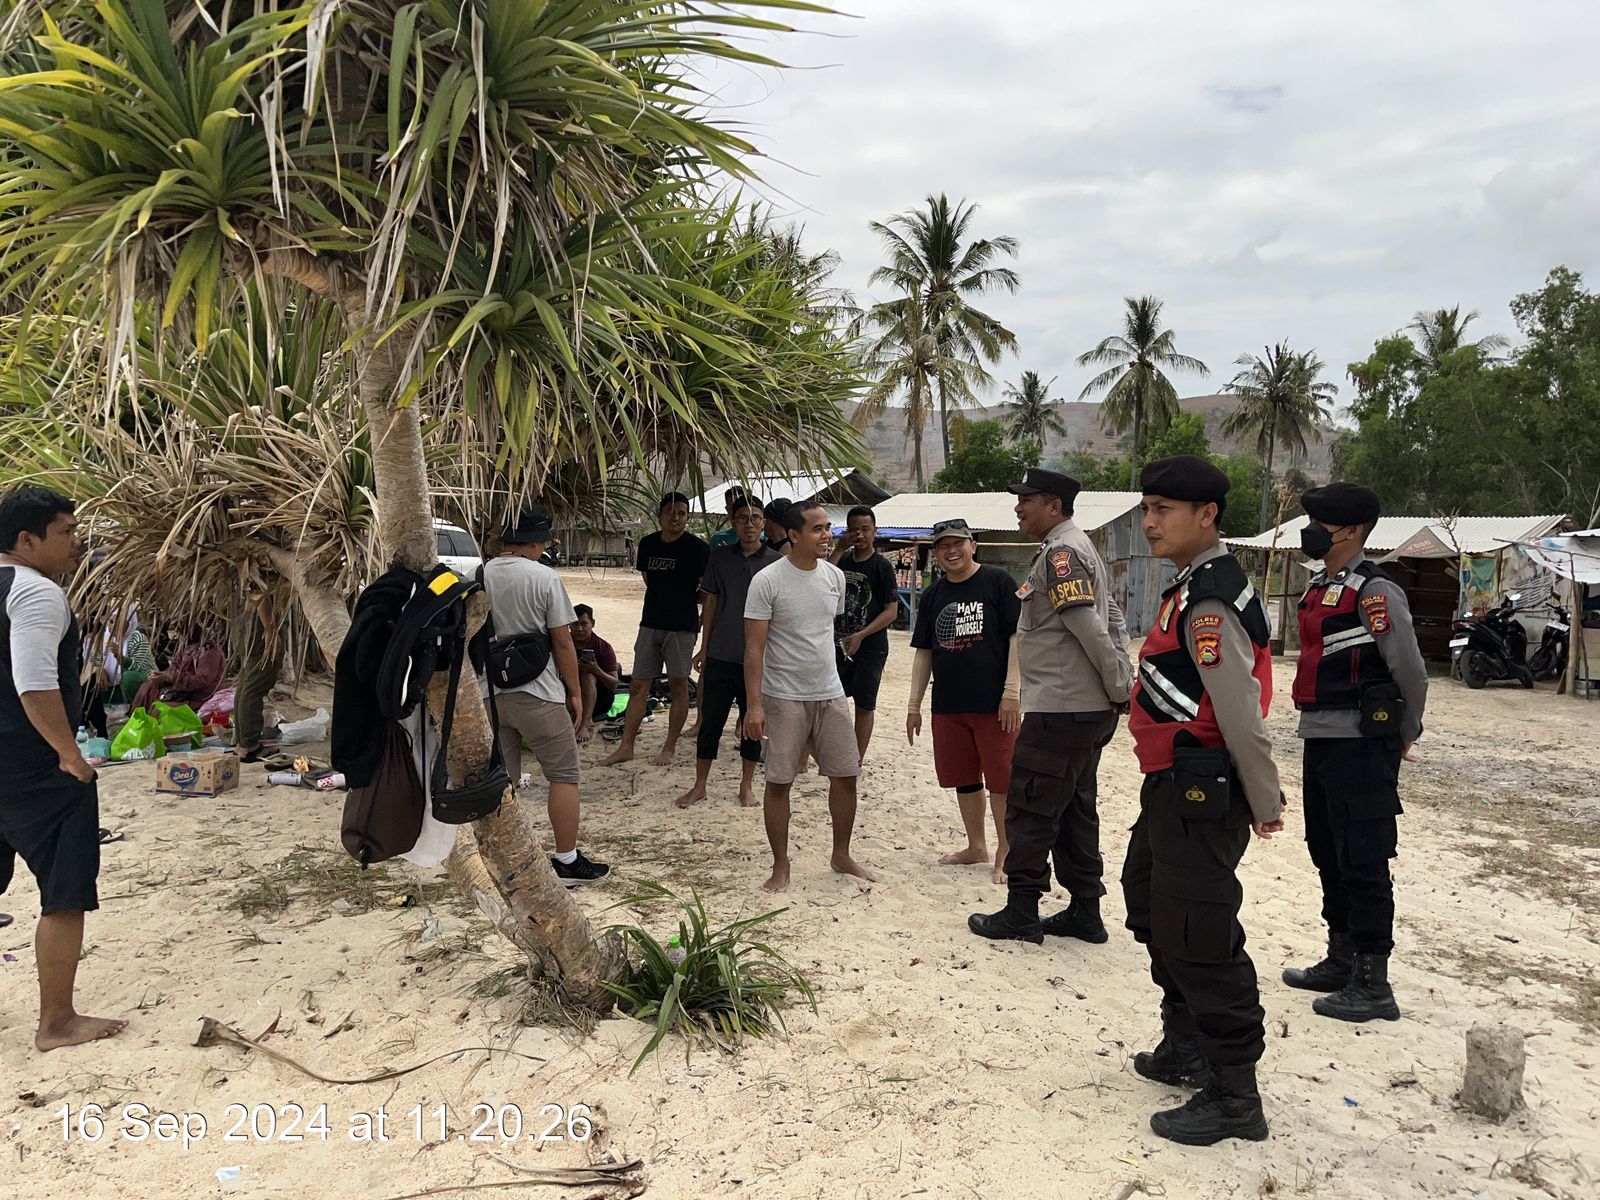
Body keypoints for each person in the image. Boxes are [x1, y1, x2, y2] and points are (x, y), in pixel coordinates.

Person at [1122, 455, 1285, 1145]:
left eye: (1162, 509)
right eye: (1147, 508)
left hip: (1203, 789)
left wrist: (1264, 797)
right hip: (1172, 784)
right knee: (1149, 900)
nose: (1149, 521)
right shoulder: (1189, 588)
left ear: (1206, 515)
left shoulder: (1210, 599)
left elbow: (1241, 709)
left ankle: (1234, 1095)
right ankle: (1184, 1043)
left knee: (1201, 934)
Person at [1283, 483, 1427, 1024]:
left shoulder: (1375, 590)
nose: (1311, 528)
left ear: (1351, 530)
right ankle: (1340, 958)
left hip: (1363, 743)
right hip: (1320, 735)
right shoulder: (1322, 585)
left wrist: (1405, 732)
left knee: (1364, 856)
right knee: (1326, 847)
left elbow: (1409, 669)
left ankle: (1373, 981)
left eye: (1320, 519)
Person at [969, 469, 1131, 945]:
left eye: (1027, 500)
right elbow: (1112, 614)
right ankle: (1085, 911)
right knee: (1075, 809)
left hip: (1062, 707)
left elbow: (1088, 624)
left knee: (1031, 807)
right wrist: (1117, 680)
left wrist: (1119, 682)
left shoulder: (1062, 553)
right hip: (1082, 707)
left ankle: (1021, 910)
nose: (1018, 508)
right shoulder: (1075, 547)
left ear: (1054, 505)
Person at [0, 485, 128, 1051]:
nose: (78, 542)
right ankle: (56, 1022)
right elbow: (34, 682)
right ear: (27, 540)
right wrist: (69, 755)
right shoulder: (35, 593)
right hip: (33, 768)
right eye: (66, 533)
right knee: (64, 890)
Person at [743, 500, 875, 893]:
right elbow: (754, 648)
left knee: (846, 775)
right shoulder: (767, 581)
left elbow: (821, 632)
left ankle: (841, 854)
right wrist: (754, 705)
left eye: (827, 528)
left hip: (830, 692)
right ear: (794, 535)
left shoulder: (835, 578)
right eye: (817, 529)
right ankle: (780, 865)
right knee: (780, 782)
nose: (827, 534)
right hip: (783, 697)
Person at [483, 506, 610, 886]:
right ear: (537, 541)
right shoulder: (543, 577)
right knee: (563, 775)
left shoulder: (477, 573)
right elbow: (563, 641)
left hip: (491, 690)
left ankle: (503, 862)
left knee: (502, 781)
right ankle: (566, 860)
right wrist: (574, 693)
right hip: (537, 690)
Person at [906, 519, 1021, 884]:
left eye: (958, 543)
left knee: (1001, 779)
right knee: (964, 778)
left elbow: (1018, 638)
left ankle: (1006, 848)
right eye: (942, 546)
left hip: (994, 702)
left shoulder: (998, 582)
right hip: (949, 703)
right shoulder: (935, 594)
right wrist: (913, 705)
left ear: (973, 545)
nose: (950, 551)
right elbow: (923, 652)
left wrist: (1012, 692)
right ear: (935, 553)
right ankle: (977, 846)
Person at [677, 494, 780, 810]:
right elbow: (710, 604)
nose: (749, 525)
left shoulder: (777, 562)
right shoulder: (720, 558)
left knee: (753, 725)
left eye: (755, 518)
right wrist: (703, 648)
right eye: (742, 518)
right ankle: (700, 785)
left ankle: (746, 786)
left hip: (760, 660)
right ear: (732, 523)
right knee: (710, 722)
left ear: (763, 523)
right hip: (722, 652)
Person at [602, 492, 709, 767]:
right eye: (670, 511)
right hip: (650, 623)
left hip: (682, 627)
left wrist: (685, 601)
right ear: (660, 514)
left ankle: (669, 746)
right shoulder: (648, 544)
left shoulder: (697, 548)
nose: (676, 517)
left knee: (678, 685)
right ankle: (626, 746)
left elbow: (706, 591)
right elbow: (649, 580)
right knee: (639, 684)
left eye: (682, 512)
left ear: (687, 517)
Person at [830, 505, 900, 761]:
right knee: (830, 700)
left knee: (864, 703)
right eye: (854, 529)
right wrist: (839, 548)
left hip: (871, 646)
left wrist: (861, 635)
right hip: (838, 643)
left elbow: (891, 611)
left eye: (865, 529)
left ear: (875, 531)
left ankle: (855, 758)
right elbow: (821, 577)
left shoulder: (882, 567)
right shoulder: (842, 561)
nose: (860, 535)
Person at [233, 594, 286, 762]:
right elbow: (259, 590)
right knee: (253, 687)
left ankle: (243, 743)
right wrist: (270, 629)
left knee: (246, 685)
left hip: (249, 629)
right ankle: (249, 746)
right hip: (259, 631)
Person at [131, 626, 223, 712]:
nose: (178, 633)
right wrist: (162, 677)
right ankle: (137, 719)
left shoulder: (210, 652)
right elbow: (174, 668)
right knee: (147, 688)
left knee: (159, 711)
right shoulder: (187, 648)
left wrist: (172, 678)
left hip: (198, 699)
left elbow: (202, 681)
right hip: (179, 692)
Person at [571, 604, 620, 744]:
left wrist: (595, 669)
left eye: (584, 624)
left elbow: (614, 684)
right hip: (570, 696)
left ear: (592, 624)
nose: (579, 629)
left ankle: (585, 724)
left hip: (599, 700)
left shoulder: (603, 647)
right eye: (575, 624)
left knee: (589, 676)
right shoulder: (563, 645)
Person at [115, 611, 156, 705]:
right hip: (115, 686)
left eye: (119, 621)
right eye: (110, 621)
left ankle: (138, 710)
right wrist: (99, 669)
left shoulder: (137, 638)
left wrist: (123, 659)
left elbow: (143, 670)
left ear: (129, 622)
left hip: (144, 681)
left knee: (129, 677)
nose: (113, 626)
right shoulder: (105, 638)